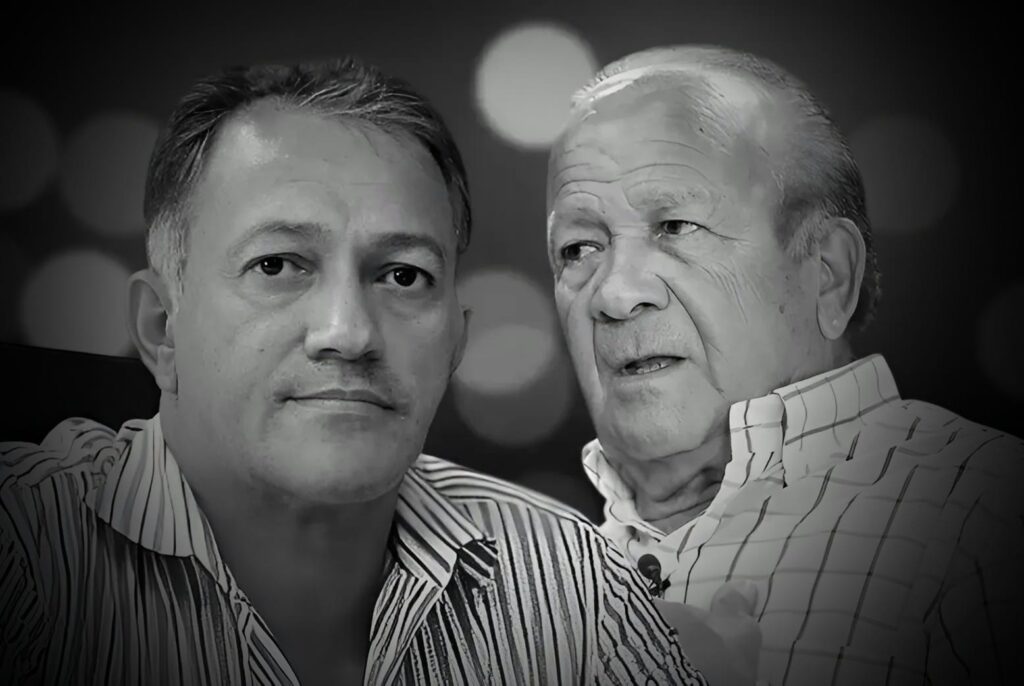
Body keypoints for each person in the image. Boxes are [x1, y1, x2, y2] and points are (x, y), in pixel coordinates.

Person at [0, 57, 705, 685]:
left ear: (456, 342)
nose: (348, 332)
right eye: (276, 265)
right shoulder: (26, 550)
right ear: (161, 329)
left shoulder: (575, 588)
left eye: (403, 275)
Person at [546, 44, 1024, 685]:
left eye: (676, 226)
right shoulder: (520, 584)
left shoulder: (988, 514)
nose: (613, 294)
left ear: (827, 276)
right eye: (578, 248)